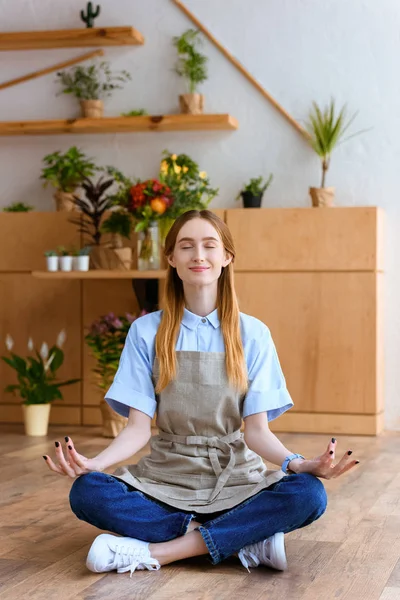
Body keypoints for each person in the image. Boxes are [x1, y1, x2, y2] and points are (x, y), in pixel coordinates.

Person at [43, 209, 359, 577]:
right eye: (186, 246)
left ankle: (161, 552)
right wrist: (95, 464)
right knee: (88, 492)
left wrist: (299, 464)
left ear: (226, 258)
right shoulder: (146, 332)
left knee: (308, 494)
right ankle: (241, 540)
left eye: (210, 245)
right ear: (171, 259)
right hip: (164, 479)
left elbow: (256, 432)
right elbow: (137, 429)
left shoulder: (253, 334)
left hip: (236, 480)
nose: (198, 255)